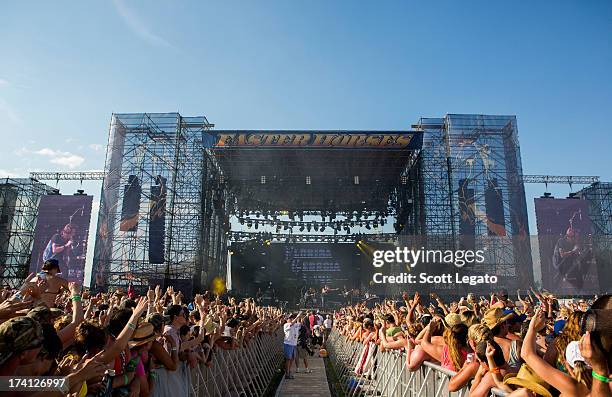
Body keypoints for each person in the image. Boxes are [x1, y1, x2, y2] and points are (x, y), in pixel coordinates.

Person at [283, 312, 303, 379]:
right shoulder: (286, 325)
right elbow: (292, 324)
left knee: (292, 359)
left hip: (294, 344)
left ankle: (288, 371)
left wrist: (299, 317)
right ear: (287, 319)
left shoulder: (295, 324)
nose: (292, 319)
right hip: (288, 344)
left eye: (292, 318)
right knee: (288, 359)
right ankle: (287, 373)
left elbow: (300, 324)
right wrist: (297, 316)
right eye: (290, 318)